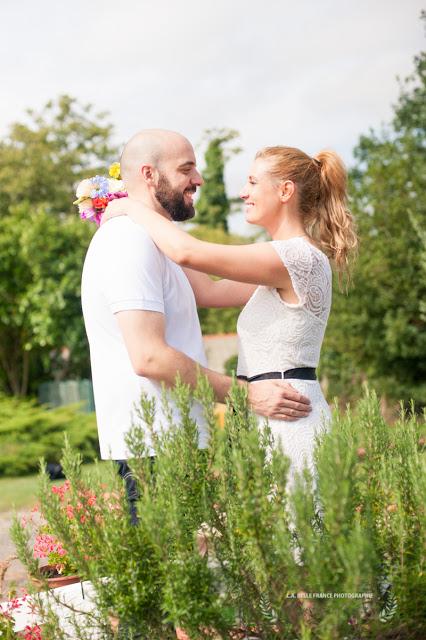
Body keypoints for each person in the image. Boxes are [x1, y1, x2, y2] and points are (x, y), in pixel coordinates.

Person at [81, 130, 312, 522]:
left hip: (176, 438)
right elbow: (149, 357)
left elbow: (209, 289)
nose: (199, 179)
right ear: (149, 174)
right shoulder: (127, 241)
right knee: (171, 576)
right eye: (186, 168)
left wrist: (300, 266)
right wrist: (247, 395)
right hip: (155, 442)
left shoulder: (152, 240)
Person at [103, 143, 358, 497]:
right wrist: (150, 215)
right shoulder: (278, 264)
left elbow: (188, 252)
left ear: (285, 191)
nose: (243, 192)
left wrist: (131, 206)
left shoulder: (295, 257)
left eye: (252, 182)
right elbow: (206, 291)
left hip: (287, 417)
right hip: (265, 414)